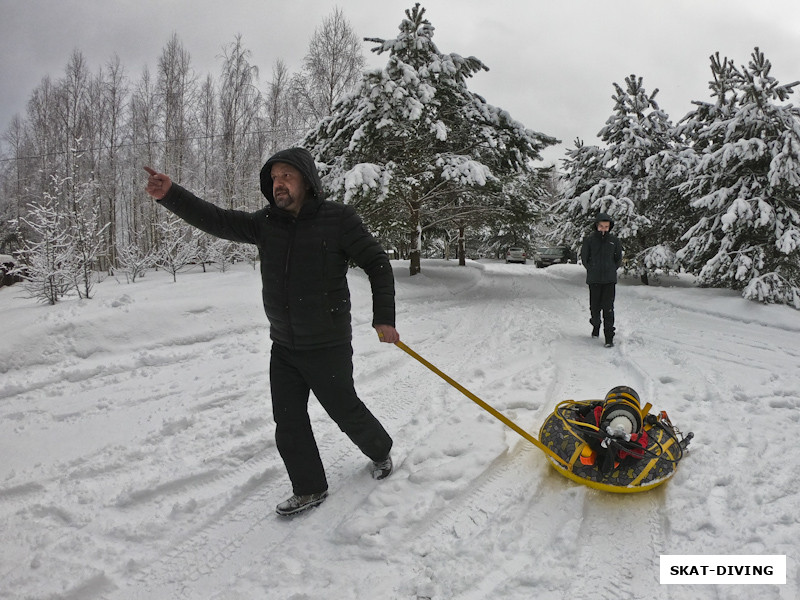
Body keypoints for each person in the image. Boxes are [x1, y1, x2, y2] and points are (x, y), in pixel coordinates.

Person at [144, 147, 399, 517]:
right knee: (288, 420)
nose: (278, 183)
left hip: (326, 344)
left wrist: (384, 316)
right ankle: (309, 487)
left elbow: (376, 261)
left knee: (344, 409)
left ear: (307, 181)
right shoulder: (266, 223)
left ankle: (380, 450)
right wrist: (171, 194)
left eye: (287, 176)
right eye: (274, 177)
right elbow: (217, 220)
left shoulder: (337, 219)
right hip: (284, 345)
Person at [580, 212, 623, 347]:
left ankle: (609, 337)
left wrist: (611, 269)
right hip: (594, 280)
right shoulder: (589, 240)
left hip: (609, 281)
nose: (604, 229)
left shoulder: (614, 241)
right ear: (596, 226)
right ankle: (596, 325)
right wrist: (592, 269)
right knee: (595, 308)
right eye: (601, 226)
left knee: (608, 309)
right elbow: (584, 258)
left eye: (606, 226)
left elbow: (618, 259)